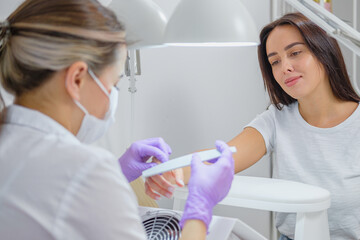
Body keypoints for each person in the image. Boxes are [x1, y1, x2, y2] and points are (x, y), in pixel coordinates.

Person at [0, 0, 235, 239]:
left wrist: (115, 174)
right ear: (77, 79)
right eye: (113, 84)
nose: (112, 97)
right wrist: (201, 206)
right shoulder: (84, 170)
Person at [146, 12, 360, 240]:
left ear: (324, 51)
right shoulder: (276, 120)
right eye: (274, 61)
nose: (284, 67)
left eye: (295, 53)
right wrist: (170, 173)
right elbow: (222, 157)